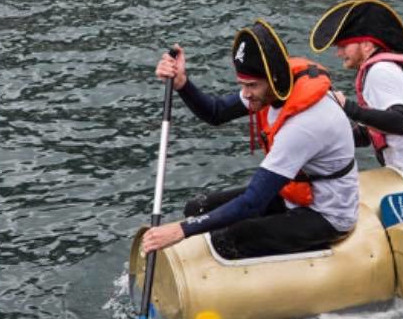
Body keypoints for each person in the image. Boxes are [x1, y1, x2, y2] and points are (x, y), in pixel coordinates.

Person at [141, 19, 359, 259]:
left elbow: (253, 202)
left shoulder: (304, 125)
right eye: (242, 85)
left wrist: (180, 230)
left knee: (231, 237)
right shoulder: (272, 89)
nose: (245, 93)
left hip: (326, 214)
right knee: (197, 208)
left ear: (273, 78)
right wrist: (182, 84)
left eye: (251, 85)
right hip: (294, 196)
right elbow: (216, 112)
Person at [310, 0, 403, 190]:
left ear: (367, 45)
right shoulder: (378, 69)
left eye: (343, 45)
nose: (338, 53)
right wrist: (321, 144)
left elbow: (397, 123)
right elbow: (367, 133)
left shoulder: (379, 71)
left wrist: (347, 107)